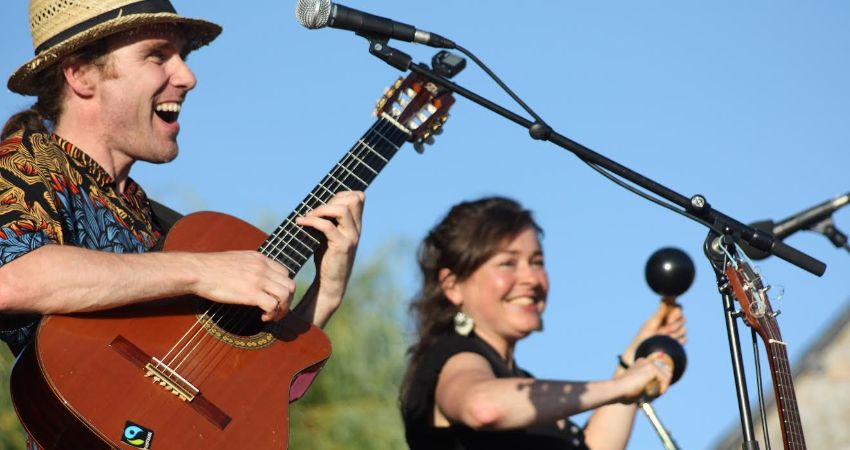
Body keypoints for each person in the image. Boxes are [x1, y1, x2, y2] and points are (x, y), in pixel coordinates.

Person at [0, 1, 363, 447]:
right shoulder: (25, 162)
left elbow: (249, 396)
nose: (187, 77)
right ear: (81, 75)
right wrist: (201, 270)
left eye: (184, 57)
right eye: (157, 55)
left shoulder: (157, 223)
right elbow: (11, 278)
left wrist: (325, 293)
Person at [400, 196, 687, 450]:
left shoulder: (519, 383)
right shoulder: (452, 355)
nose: (531, 279)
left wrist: (633, 359)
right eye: (507, 263)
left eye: (537, 262)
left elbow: (594, 446)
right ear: (452, 285)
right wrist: (620, 386)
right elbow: (483, 408)